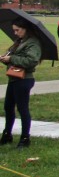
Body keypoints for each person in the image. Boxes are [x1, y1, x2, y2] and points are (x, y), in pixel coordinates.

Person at [1, 18, 42, 149]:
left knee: (22, 109)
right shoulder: (19, 41)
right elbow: (14, 58)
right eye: (14, 30)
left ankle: (25, 138)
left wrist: (11, 58)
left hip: (24, 79)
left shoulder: (33, 43)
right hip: (13, 78)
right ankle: (7, 134)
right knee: (8, 107)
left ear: (25, 29)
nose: (15, 33)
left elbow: (31, 61)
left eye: (17, 30)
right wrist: (5, 59)